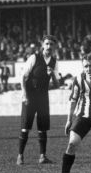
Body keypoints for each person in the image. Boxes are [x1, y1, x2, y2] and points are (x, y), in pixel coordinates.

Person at [17, 35, 60, 165]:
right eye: (47, 44)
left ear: (54, 47)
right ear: (42, 45)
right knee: (25, 127)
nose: (49, 46)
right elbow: (23, 77)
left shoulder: (54, 62)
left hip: (43, 97)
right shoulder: (34, 57)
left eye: (51, 44)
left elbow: (57, 84)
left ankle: (42, 156)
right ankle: (20, 156)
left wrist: (52, 73)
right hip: (30, 96)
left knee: (43, 128)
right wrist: (24, 94)